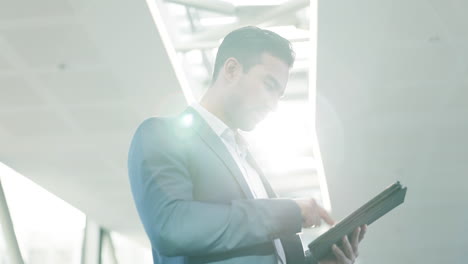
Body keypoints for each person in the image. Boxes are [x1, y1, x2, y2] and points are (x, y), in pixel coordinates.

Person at [128, 26, 367, 264]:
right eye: (269, 85)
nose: (273, 105)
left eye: (279, 94)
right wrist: (289, 211)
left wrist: (320, 261)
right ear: (231, 70)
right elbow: (173, 227)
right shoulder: (161, 135)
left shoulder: (248, 161)